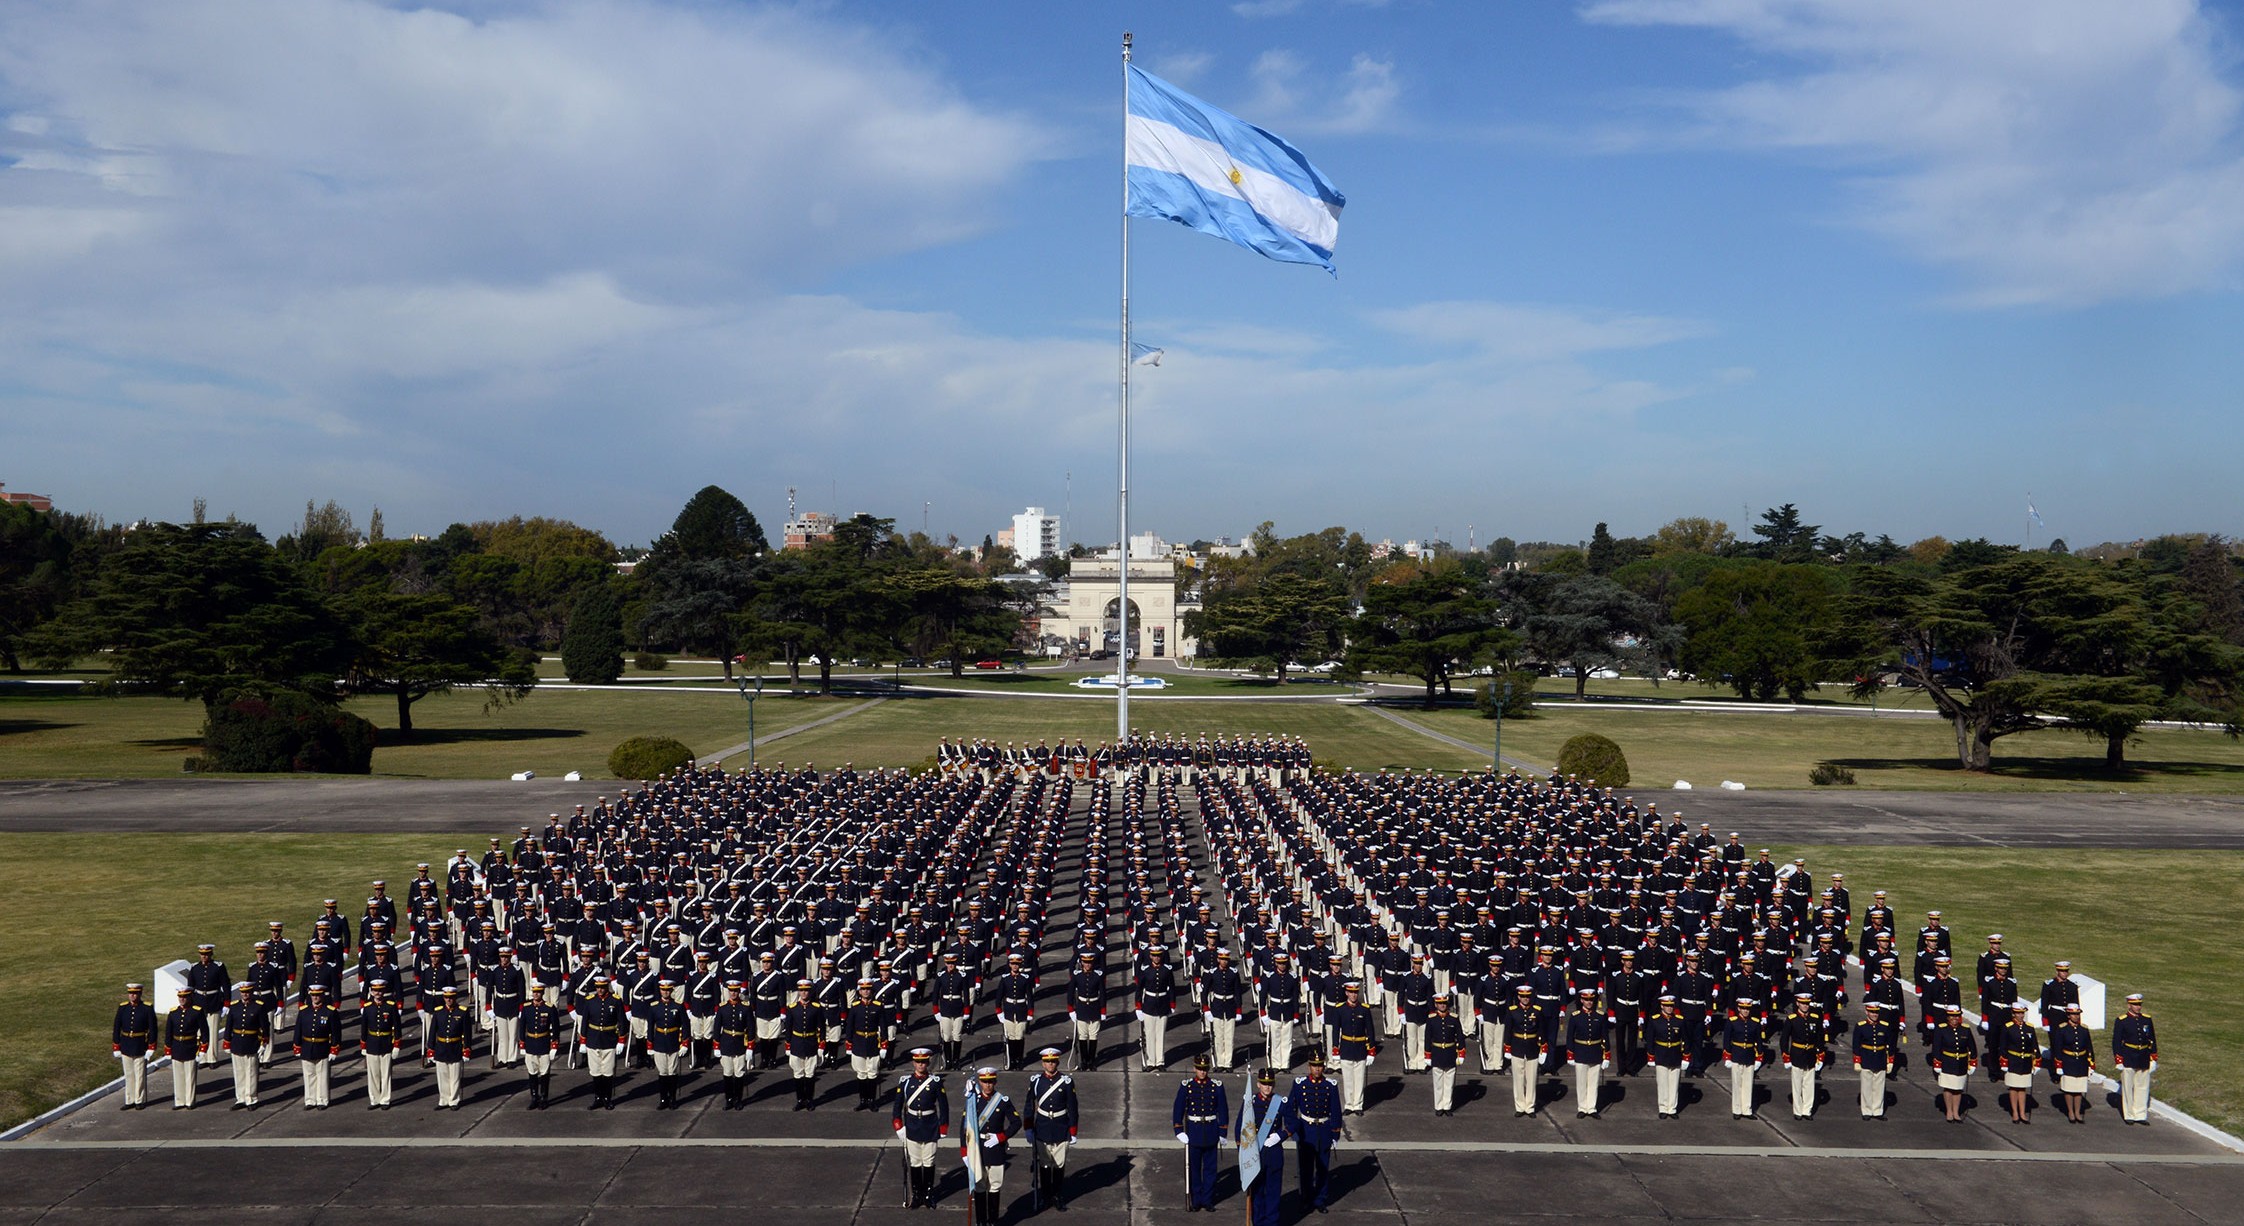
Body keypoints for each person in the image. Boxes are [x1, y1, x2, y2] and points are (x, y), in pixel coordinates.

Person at [1173, 1054, 1230, 1212]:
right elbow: (1178, 1108)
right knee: (1194, 1169)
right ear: (1194, 1068)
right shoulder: (1187, 1086)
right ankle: (1196, 1199)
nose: (1202, 1072)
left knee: (1210, 1169)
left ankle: (1208, 1199)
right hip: (1194, 1131)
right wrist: (1178, 1130)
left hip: (1211, 1130)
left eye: (1205, 1069)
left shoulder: (1216, 1086)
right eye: (1199, 1069)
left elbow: (1223, 1110)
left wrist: (1223, 1132)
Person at [1236, 1067, 1292, 1226]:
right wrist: (1243, 1151)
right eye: (1264, 1083)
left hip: (1273, 1153)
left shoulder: (1280, 1102)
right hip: (1255, 1153)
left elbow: (1294, 1123)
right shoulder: (1251, 1102)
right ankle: (1258, 1222)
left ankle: (1272, 1222)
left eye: (1270, 1084)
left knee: (1273, 1193)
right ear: (1258, 1084)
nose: (1267, 1087)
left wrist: (1280, 1136)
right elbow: (1241, 1126)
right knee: (1257, 1193)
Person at [1025, 1047, 1080, 1210]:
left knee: (1058, 1165)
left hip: (1060, 1127)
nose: (1050, 1064)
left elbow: (1073, 1108)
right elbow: (1029, 1105)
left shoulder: (1066, 1082)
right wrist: (1028, 1127)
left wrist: (1073, 1131)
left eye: (1053, 1061)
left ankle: (1057, 1195)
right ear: (1043, 1064)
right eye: (1047, 1062)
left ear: (1057, 1062)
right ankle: (1046, 1195)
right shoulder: (1035, 1081)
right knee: (1045, 1165)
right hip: (1042, 1127)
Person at [963, 1067, 1019, 1223]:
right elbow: (965, 1127)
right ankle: (981, 1221)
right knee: (980, 1187)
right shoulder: (973, 1101)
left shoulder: (1003, 1100)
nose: (988, 1085)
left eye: (991, 1081)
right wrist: (964, 1151)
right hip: (978, 1149)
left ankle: (993, 1220)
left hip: (996, 1149)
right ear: (979, 1082)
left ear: (995, 1082)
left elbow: (1016, 1122)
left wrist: (1001, 1137)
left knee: (994, 1186)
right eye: (984, 1081)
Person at [1291, 1054, 1342, 1214]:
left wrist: (1335, 1134)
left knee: (1322, 1168)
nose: (1317, 1068)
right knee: (1305, 1169)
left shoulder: (1330, 1085)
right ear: (1309, 1066)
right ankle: (1305, 1198)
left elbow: (1335, 1111)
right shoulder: (1300, 1084)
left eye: (1319, 1065)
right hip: (1306, 1130)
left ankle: (1320, 1199)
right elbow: (1291, 1108)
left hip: (1324, 1130)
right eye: (1314, 1065)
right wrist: (1294, 1131)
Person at [1326, 980, 1376, 1115]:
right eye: (1351, 993)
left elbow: (1370, 1030)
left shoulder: (1364, 1009)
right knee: (1348, 1078)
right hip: (1346, 1047)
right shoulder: (1340, 1009)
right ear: (1346, 993)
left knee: (1359, 1078)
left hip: (1360, 1047)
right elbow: (1336, 1030)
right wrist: (1335, 1048)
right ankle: (1349, 1104)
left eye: (1355, 993)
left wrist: (1371, 1050)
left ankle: (1358, 1105)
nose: (1353, 995)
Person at [577, 975, 626, 1110]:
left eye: (602, 987)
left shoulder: (615, 1001)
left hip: (609, 1039)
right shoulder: (590, 1001)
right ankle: (598, 1098)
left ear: (607, 987)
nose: (600, 990)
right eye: (598, 987)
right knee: (596, 1071)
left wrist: (621, 1040)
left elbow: (622, 1021)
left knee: (608, 1072)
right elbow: (585, 1022)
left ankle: (607, 1098)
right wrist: (583, 1040)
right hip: (593, 1039)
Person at [2113, 992, 2159, 1124]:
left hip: (2143, 1055)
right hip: (2129, 1054)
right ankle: (2129, 1114)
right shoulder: (2122, 1020)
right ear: (2129, 1005)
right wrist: (2118, 1059)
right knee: (2128, 1086)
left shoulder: (2146, 1019)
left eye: (2139, 1004)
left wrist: (2153, 1057)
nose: (2138, 1007)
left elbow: (2152, 1039)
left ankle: (2140, 1114)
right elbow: (2116, 1041)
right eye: (2135, 1005)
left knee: (2142, 1086)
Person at [220, 981, 268, 1109]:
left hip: (251, 1042)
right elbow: (229, 1025)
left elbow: (264, 1026)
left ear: (251, 992)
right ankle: (240, 1098)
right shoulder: (235, 1007)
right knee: (239, 1072)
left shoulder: (258, 1006)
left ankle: (251, 1098)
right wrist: (226, 1042)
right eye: (242, 992)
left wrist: (264, 1042)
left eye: (247, 992)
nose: (245, 994)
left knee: (251, 1072)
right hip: (237, 1043)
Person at [426, 984, 474, 1109]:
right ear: (443, 998)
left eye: (451, 997)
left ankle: (453, 1100)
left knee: (455, 1076)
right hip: (441, 1047)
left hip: (455, 1047)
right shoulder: (438, 1011)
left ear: (455, 997)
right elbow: (432, 1031)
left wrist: (467, 1049)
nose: (449, 1000)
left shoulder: (462, 1012)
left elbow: (467, 1033)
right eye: (447, 997)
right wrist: (430, 1048)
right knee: (442, 1077)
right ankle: (443, 1100)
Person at [1779, 991, 1826, 1120]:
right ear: (1798, 1003)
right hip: (1797, 1054)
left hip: (1810, 1054)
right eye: (1803, 1004)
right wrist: (1786, 1056)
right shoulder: (1792, 1019)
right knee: (1797, 1084)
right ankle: (1798, 1111)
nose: (1805, 1006)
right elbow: (1784, 1039)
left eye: (1807, 1003)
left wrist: (1820, 1054)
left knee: (1809, 1084)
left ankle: (1807, 1110)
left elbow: (1819, 1037)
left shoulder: (1815, 1018)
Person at [294, 982, 340, 1109]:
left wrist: (334, 1049)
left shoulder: (330, 1011)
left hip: (323, 1046)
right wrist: (297, 1046)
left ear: (322, 996)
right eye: (313, 995)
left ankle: (322, 1100)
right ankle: (310, 1100)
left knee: (322, 1075)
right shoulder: (304, 1011)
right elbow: (298, 1030)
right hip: (307, 1046)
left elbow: (336, 1032)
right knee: (309, 1075)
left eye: (318, 995)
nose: (315, 998)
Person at [2048, 1003, 2097, 1124]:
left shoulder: (2084, 1029)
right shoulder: (2062, 1029)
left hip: (2081, 1061)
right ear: (2068, 1015)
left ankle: (2078, 1112)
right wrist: (2058, 1065)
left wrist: (2091, 1064)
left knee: (2079, 1088)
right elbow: (2058, 1048)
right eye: (2074, 1014)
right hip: (2068, 1061)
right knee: (2069, 1089)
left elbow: (2089, 1047)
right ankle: (2070, 1111)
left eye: (2077, 1014)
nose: (2076, 1017)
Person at [1850, 1001, 1899, 1120]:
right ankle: (1866, 1110)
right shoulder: (1861, 1026)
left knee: (1879, 1086)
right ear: (1866, 1012)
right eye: (1872, 1012)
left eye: (1876, 1012)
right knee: (1866, 1086)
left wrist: (1890, 1061)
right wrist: (1857, 1060)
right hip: (1866, 1057)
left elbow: (1890, 1044)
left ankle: (1877, 1110)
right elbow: (1856, 1044)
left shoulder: (1884, 1026)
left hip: (1880, 1058)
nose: (1874, 1014)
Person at [1565, 987, 1609, 1118]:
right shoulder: (1575, 1016)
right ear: (1582, 1000)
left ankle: (1592, 1108)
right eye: (1586, 999)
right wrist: (1570, 1054)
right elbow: (1569, 1037)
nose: (1589, 1002)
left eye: (1591, 999)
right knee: (1581, 1082)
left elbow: (1605, 1036)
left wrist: (1606, 1055)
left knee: (1593, 1082)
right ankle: (1582, 1107)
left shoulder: (1600, 1016)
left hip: (1595, 1052)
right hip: (1581, 1052)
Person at [1503, 983, 1546, 1117]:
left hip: (1532, 1047)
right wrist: (1507, 1048)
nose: (1525, 999)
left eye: (1527, 996)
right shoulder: (1512, 1010)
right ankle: (1520, 1106)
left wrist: (1543, 1048)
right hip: (1517, 1046)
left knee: (1532, 1078)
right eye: (1523, 996)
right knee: (1518, 1079)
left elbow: (1542, 1030)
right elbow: (1508, 1031)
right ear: (1519, 997)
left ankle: (1530, 1107)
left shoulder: (1537, 1010)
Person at [1929, 1003, 1977, 1122]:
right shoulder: (1941, 1029)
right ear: (1948, 1017)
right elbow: (1936, 1048)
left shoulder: (1965, 1029)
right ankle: (1949, 1111)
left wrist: (1973, 1063)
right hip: (1947, 1062)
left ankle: (1956, 1112)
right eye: (1952, 1016)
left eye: (1957, 1016)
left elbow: (1972, 1047)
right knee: (1949, 1088)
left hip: (1961, 1062)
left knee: (1958, 1088)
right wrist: (1937, 1063)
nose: (1955, 1018)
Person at [111, 983, 156, 1110]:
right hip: (126, 1044)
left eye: (135, 993)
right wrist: (116, 1045)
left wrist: (151, 1047)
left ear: (140, 994)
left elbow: (153, 1029)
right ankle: (129, 1099)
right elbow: (116, 1027)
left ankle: (139, 1100)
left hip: (140, 1044)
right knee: (129, 1074)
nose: (132, 996)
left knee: (140, 1074)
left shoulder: (146, 1008)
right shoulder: (123, 1008)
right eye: (131, 993)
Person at [1720, 997, 1765, 1120]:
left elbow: (1759, 1042)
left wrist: (1759, 1057)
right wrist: (1727, 1056)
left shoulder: (1755, 1022)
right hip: (1736, 1054)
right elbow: (1726, 1040)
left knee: (1748, 1084)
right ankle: (1737, 1109)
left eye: (1747, 1009)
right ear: (1738, 1008)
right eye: (1743, 1008)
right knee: (1737, 1083)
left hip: (1749, 1055)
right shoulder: (1732, 1021)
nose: (1745, 1011)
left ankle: (1747, 1109)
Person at [360, 981, 403, 1109]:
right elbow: (364, 1028)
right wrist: (363, 1045)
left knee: (385, 1074)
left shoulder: (390, 1006)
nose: (378, 993)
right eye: (375, 991)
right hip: (372, 1043)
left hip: (386, 1043)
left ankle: (385, 1099)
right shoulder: (367, 1007)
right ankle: (374, 1099)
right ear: (371, 992)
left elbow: (397, 1027)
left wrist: (396, 1045)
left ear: (383, 992)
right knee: (373, 1074)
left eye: (380, 991)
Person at [519, 980, 562, 1109]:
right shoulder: (527, 1008)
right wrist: (522, 1043)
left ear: (542, 993)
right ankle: (534, 1097)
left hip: (543, 1043)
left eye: (538, 992)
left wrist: (554, 1045)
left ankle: (544, 1097)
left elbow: (556, 1028)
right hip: (531, 1043)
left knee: (544, 1073)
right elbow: (522, 1027)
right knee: (532, 1072)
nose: (536, 995)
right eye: (534, 992)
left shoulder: (549, 1008)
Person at [1644, 995, 1688, 1119]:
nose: (1669, 1008)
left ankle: (1672, 1108)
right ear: (1662, 1006)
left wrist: (1686, 1057)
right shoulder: (1655, 1020)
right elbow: (1650, 1039)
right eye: (1667, 1006)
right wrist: (1651, 1056)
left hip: (1675, 1054)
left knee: (1674, 1083)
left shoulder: (1679, 1020)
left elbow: (1686, 1039)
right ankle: (1663, 1107)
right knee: (1662, 1083)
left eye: (1671, 1006)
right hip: (1661, 1054)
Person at [784, 978, 825, 1110]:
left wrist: (821, 1046)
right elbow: (788, 1028)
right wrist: (788, 1045)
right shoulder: (792, 1008)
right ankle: (800, 1099)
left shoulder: (816, 1008)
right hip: (796, 1043)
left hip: (811, 1043)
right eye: (801, 990)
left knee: (810, 1074)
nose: (804, 993)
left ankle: (809, 1100)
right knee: (798, 1074)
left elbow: (821, 1028)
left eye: (806, 990)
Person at [1996, 1001, 2038, 1124]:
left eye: (2022, 1013)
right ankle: (2015, 1112)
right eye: (2018, 1013)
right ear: (2013, 1014)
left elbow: (2034, 1045)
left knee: (2022, 1088)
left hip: (2025, 1061)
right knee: (2014, 1088)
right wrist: (2004, 1062)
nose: (2021, 1015)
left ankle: (2022, 1112)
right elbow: (2003, 1046)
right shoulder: (2008, 1027)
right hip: (2013, 1061)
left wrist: (2037, 1061)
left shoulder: (2029, 1027)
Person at [1425, 994, 1467, 1116]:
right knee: (1438, 1081)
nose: (1442, 1005)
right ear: (1436, 1005)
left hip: (1450, 1052)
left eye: (1444, 1003)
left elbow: (1460, 1037)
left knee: (1449, 1081)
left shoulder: (1453, 1019)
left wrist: (1461, 1053)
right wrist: (1427, 1055)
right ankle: (1438, 1106)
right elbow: (1428, 1038)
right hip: (1437, 1052)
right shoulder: (1432, 1019)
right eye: (1440, 1003)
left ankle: (1447, 1106)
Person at [1138, 945, 1178, 1071]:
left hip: (1162, 1003)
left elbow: (1172, 988)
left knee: (1160, 1034)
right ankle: (1151, 1062)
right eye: (1154, 955)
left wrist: (1172, 1004)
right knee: (1149, 1034)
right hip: (1149, 1004)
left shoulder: (1167, 970)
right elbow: (1139, 990)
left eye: (1158, 955)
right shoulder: (1145, 971)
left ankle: (1160, 1061)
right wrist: (1138, 1007)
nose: (1156, 958)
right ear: (1150, 956)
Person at [1067, 949, 1106, 1070]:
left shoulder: (1097, 976)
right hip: (1082, 1007)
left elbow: (1103, 994)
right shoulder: (1077, 976)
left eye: (1089, 962)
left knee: (1093, 1035)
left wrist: (1103, 1010)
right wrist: (1071, 1010)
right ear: (1082, 963)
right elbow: (1070, 993)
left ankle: (1092, 1061)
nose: (1087, 965)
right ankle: (1084, 1061)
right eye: (1085, 962)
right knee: (1083, 1036)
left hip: (1094, 1007)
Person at [163, 996, 204, 1108]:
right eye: (180, 997)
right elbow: (168, 1032)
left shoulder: (196, 1012)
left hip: (190, 1046)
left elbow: (205, 1031)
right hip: (177, 1047)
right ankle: (179, 1101)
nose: (182, 999)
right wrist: (168, 1048)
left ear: (189, 998)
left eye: (184, 997)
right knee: (178, 1076)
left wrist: (203, 1049)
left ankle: (189, 1101)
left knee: (190, 1076)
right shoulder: (173, 1013)